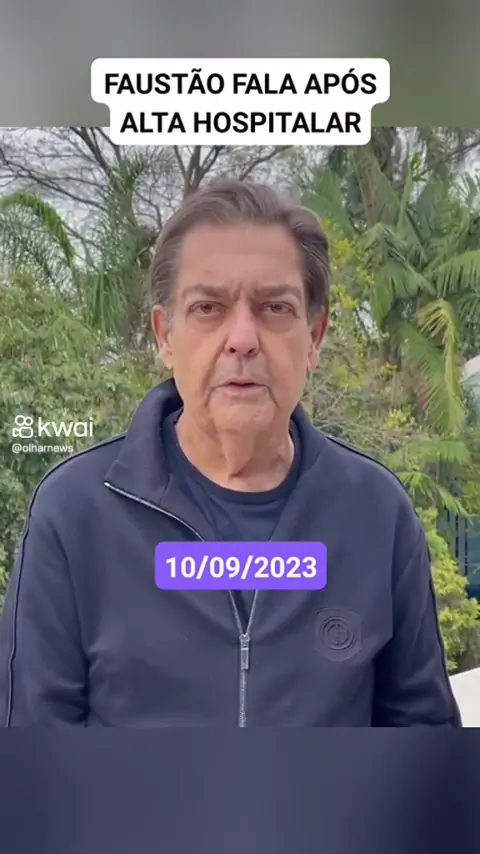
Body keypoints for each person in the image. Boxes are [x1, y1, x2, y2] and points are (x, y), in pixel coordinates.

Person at [0, 178, 461, 727]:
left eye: (274, 307)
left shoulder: (376, 513)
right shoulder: (76, 512)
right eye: (208, 307)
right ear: (164, 335)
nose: (242, 338)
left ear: (314, 336)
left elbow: (422, 743)